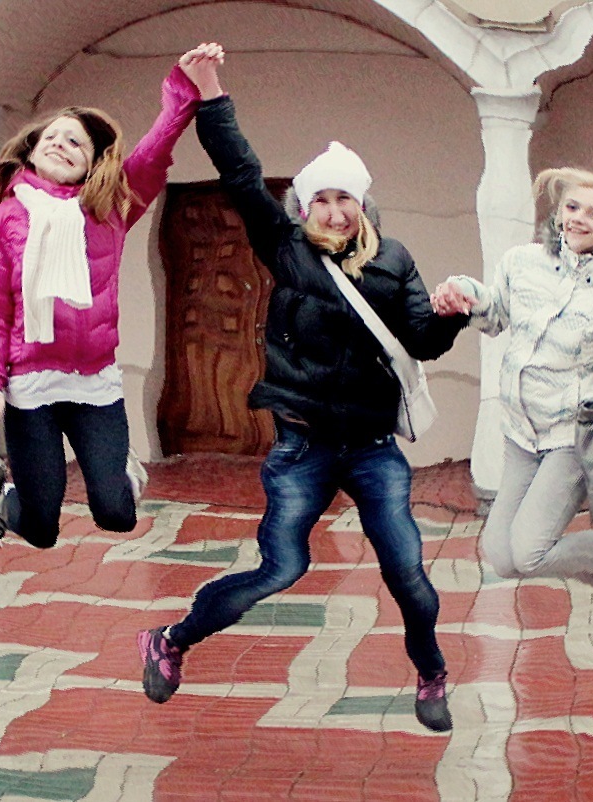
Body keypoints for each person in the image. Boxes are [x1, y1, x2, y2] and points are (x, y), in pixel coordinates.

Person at [136, 50, 468, 732]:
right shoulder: (285, 248)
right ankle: (171, 640)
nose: (335, 210)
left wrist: (448, 315)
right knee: (280, 568)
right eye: (322, 198)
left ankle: (431, 673)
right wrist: (211, 91)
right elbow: (240, 172)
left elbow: (422, 340)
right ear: (304, 204)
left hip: (372, 449)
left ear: (363, 204)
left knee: (407, 571)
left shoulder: (394, 260)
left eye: (346, 198)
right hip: (302, 448)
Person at [0, 44, 223, 556]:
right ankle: (9, 498)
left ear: (92, 163)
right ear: (31, 151)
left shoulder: (108, 208)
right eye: (51, 137)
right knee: (40, 529)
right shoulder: (3, 219)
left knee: (117, 514)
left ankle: (115, 469)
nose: (60, 144)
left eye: (75, 143)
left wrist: (184, 89)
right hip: (30, 388)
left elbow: (153, 154)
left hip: (94, 384)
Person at [430, 142, 593, 630]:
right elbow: (496, 314)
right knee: (501, 556)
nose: (578, 219)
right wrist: (465, 294)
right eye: (573, 207)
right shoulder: (522, 263)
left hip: (572, 439)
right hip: (520, 432)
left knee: (529, 552)